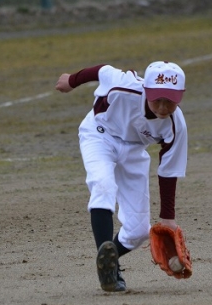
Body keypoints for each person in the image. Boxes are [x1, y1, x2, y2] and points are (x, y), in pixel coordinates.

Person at [55, 61, 188, 292]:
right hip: (100, 135)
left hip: (134, 149)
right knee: (103, 186)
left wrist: (168, 218)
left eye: (170, 101)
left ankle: (108, 259)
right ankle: (109, 271)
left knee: (138, 230)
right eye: (157, 99)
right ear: (146, 89)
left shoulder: (176, 125)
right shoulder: (124, 86)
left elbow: (168, 171)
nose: (163, 107)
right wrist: (72, 81)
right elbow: (102, 71)